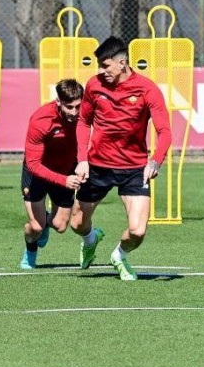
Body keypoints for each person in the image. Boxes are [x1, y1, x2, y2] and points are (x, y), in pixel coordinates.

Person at [73, 36, 171, 281]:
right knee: (76, 224)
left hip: (134, 169)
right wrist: (82, 158)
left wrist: (155, 160)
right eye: (99, 66)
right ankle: (91, 239)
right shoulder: (94, 86)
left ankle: (119, 255)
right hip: (97, 167)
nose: (101, 71)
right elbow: (83, 122)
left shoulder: (148, 89)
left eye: (105, 66)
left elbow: (165, 132)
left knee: (138, 231)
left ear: (122, 63)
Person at [18, 78, 85, 270]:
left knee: (61, 226)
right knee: (36, 228)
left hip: (66, 170)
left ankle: (47, 221)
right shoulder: (41, 120)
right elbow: (33, 164)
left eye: (78, 106)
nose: (74, 112)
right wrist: (64, 180)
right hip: (38, 172)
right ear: (58, 102)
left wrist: (83, 163)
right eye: (69, 107)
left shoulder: (85, 114)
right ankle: (30, 252)